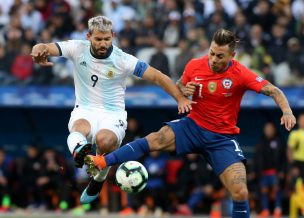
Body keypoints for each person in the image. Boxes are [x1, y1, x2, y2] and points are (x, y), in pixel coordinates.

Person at [84, 28, 297, 218]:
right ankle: (103, 162)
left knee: (240, 190)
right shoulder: (195, 65)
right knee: (155, 138)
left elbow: (273, 90)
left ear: (232, 55)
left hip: (221, 138)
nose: (213, 59)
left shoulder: (241, 74)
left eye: (219, 56)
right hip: (193, 126)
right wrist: (184, 92)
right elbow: (180, 85)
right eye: (211, 53)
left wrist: (287, 111)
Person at [30, 15, 193, 204]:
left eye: (107, 39)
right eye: (98, 39)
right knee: (79, 128)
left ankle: (98, 179)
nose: (103, 43)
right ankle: (80, 152)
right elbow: (44, 47)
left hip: (112, 114)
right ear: (88, 36)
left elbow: (157, 76)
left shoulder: (123, 60)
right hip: (84, 109)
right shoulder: (77, 48)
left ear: (113, 36)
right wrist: (37, 51)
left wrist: (180, 98)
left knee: (104, 141)